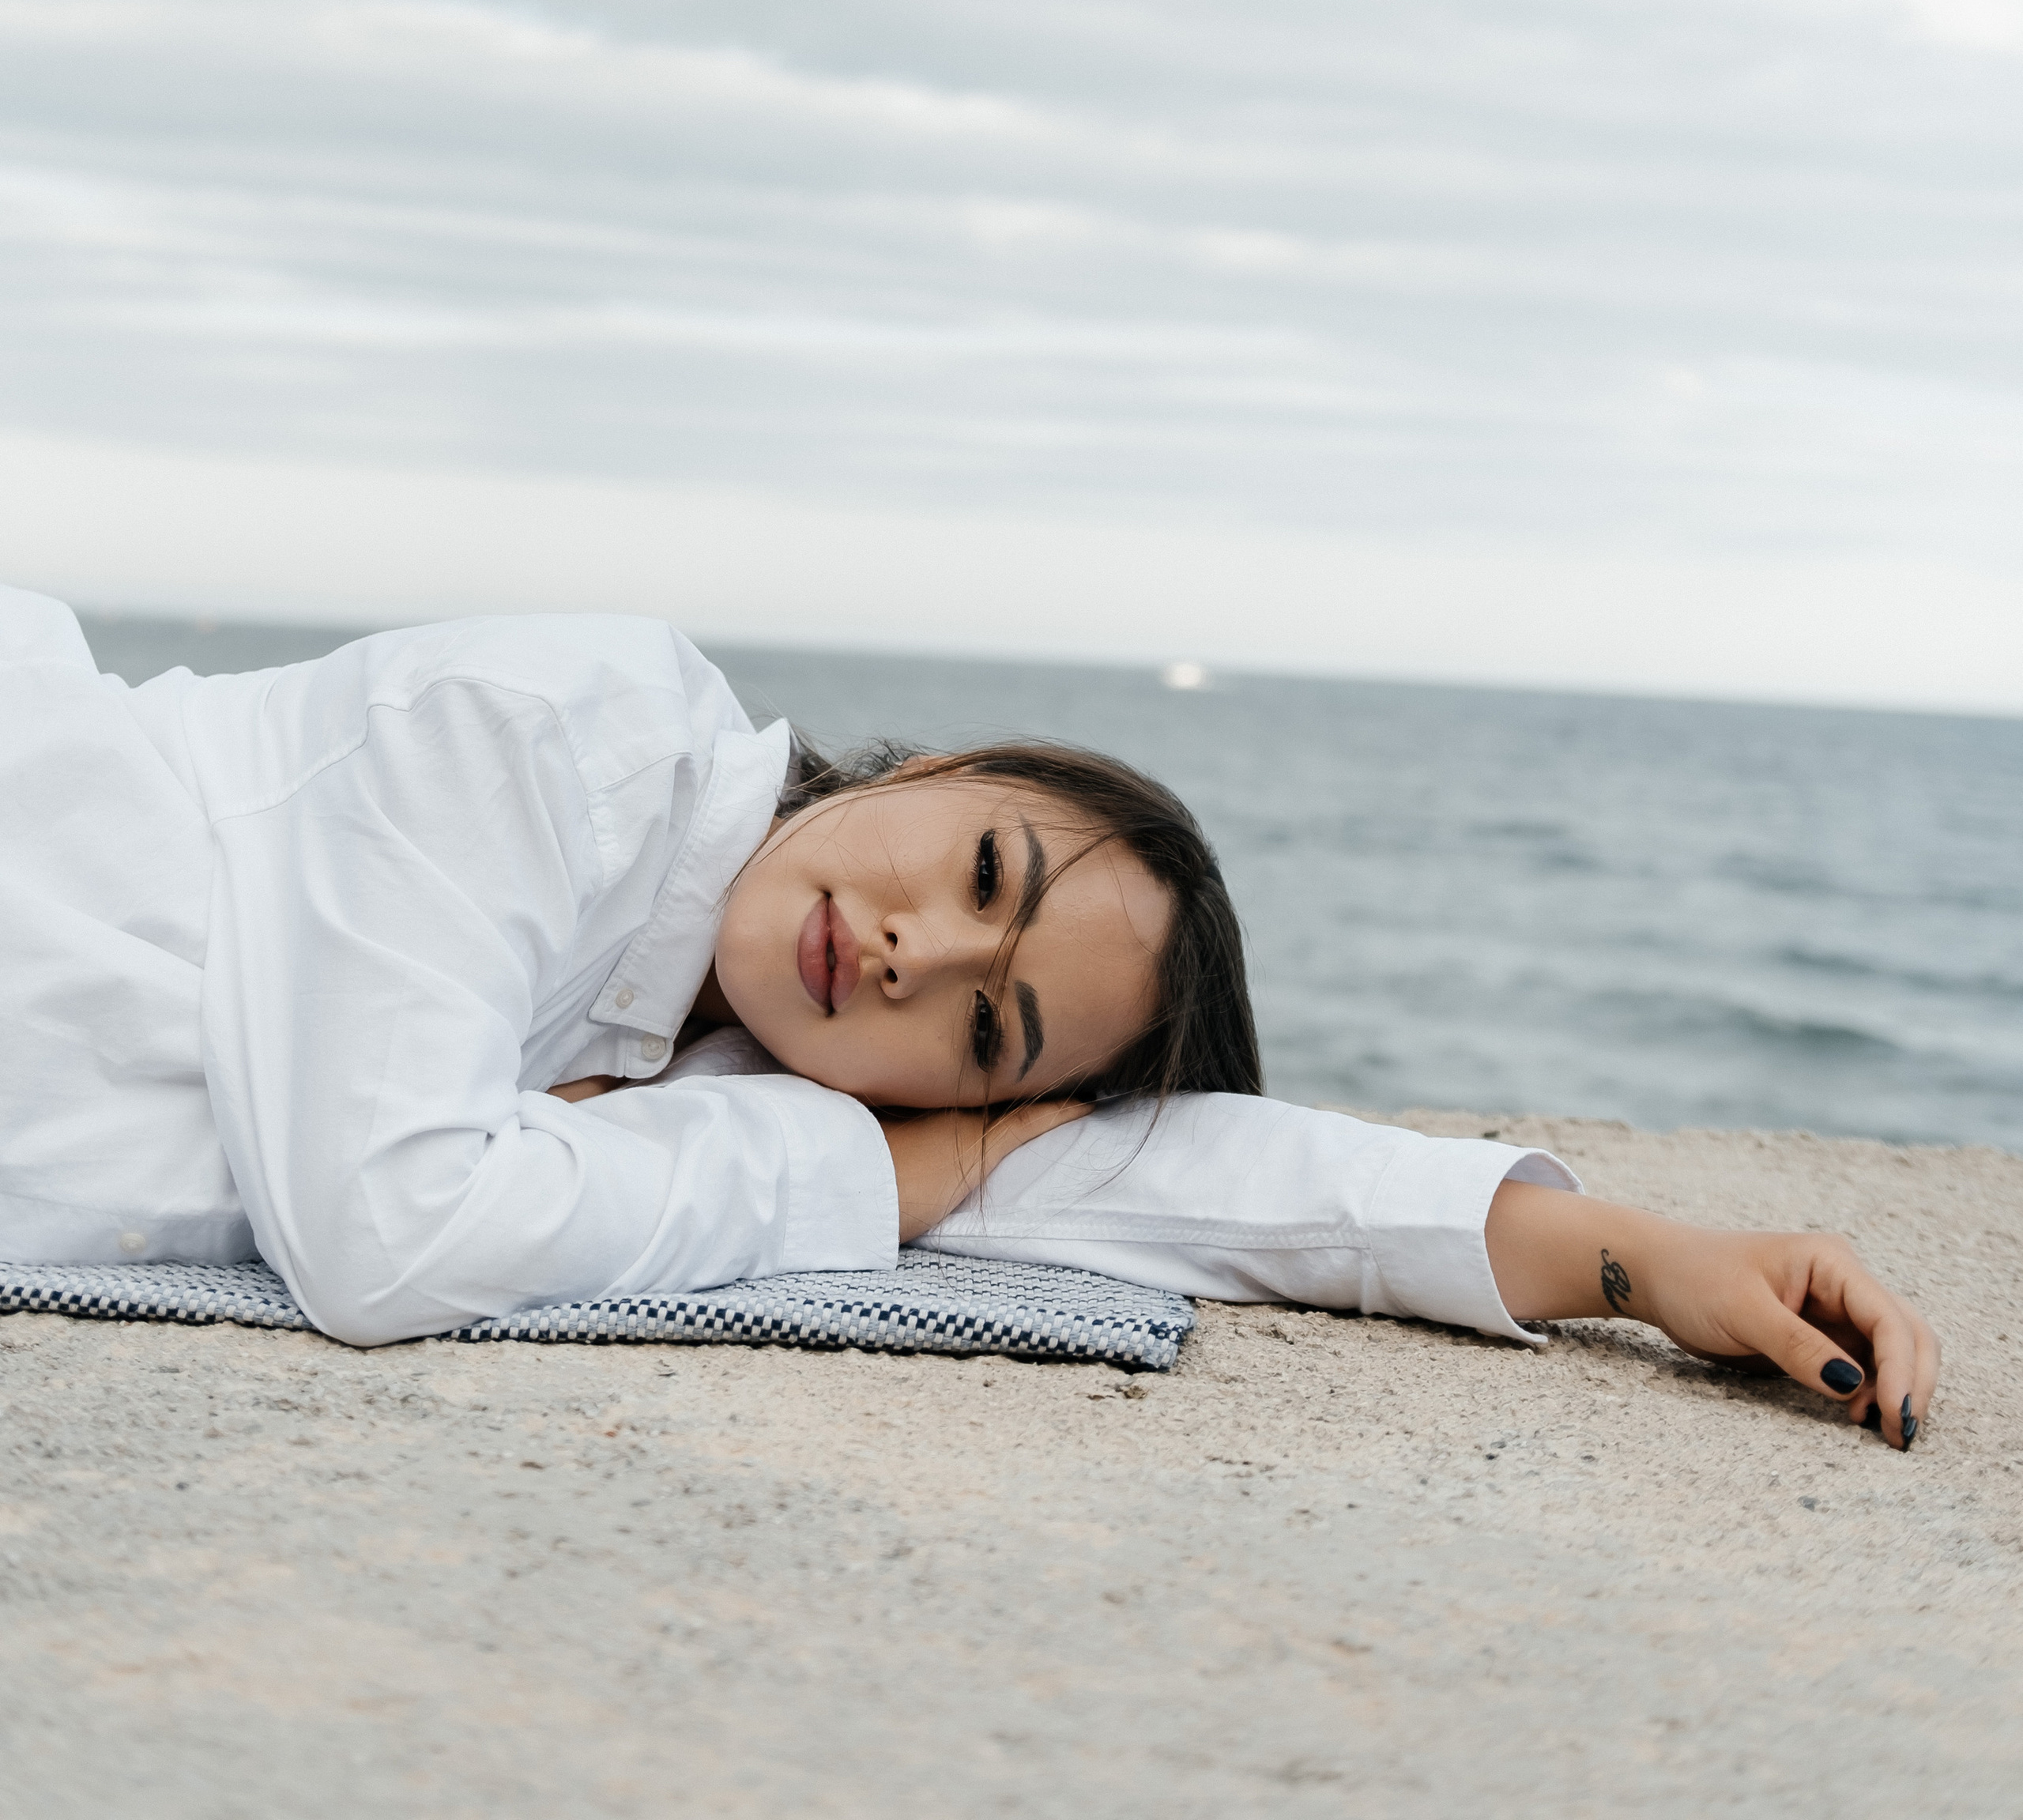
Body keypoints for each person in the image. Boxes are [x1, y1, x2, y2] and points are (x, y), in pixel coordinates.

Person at [0, 589, 1936, 1447]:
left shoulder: (742, 1060)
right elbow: (390, 1228)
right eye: (985, 870)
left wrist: (1634, 1257)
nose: (919, 955)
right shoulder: (561, 733)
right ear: (932, 765)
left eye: (991, 1032)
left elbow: (1155, 1180)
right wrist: (870, 1167)